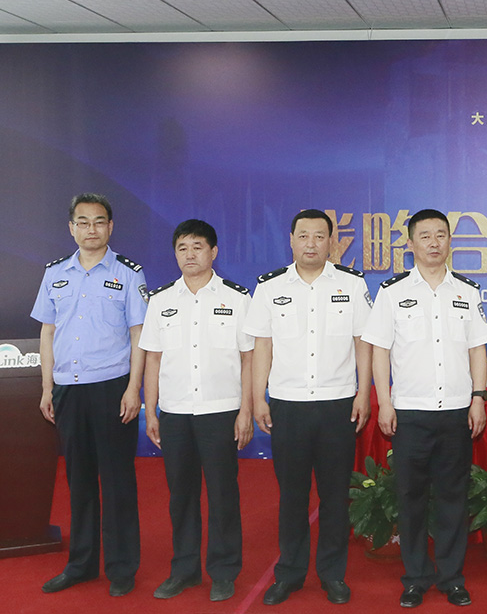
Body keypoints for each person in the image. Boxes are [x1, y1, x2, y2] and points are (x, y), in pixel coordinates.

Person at [363, 209, 487, 609]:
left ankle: (452, 578)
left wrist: (479, 397)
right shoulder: (392, 292)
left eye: (441, 235)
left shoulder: (467, 292)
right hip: (410, 413)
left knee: (454, 498)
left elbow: (477, 350)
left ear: (450, 241)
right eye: (425, 236)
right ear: (411, 244)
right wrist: (385, 402)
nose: (434, 243)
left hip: (456, 411)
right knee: (411, 498)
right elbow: (379, 351)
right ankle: (416, 578)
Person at [243, 209, 372, 606]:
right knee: (292, 495)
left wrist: (363, 393)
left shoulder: (352, 285)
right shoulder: (269, 287)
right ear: (292, 240)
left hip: (338, 404)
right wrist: (258, 396)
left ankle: (333, 574)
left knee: (335, 495)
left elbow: (363, 343)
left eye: (319, 236)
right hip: (288, 405)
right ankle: (290, 573)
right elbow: (262, 346)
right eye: (303, 236)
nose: (311, 243)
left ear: (332, 242)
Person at [32, 192, 147, 597]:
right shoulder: (54, 274)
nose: (91, 229)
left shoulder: (129, 274)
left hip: (113, 387)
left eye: (99, 222)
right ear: (71, 228)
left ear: (110, 227)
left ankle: (121, 567)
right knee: (79, 481)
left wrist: (134, 388)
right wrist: (47, 387)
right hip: (68, 388)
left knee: (117, 482)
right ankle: (81, 565)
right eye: (82, 222)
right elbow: (47, 332)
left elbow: (139, 335)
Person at [140, 219, 254, 602]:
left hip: (221, 411)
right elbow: (153, 358)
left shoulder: (237, 299)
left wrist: (246, 411)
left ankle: (223, 571)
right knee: (181, 496)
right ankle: (184, 570)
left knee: (223, 495)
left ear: (213, 252)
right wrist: (151, 411)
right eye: (182, 248)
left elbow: (249, 359)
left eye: (198, 247)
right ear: (175, 253)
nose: (190, 255)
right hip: (174, 412)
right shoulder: (161, 300)